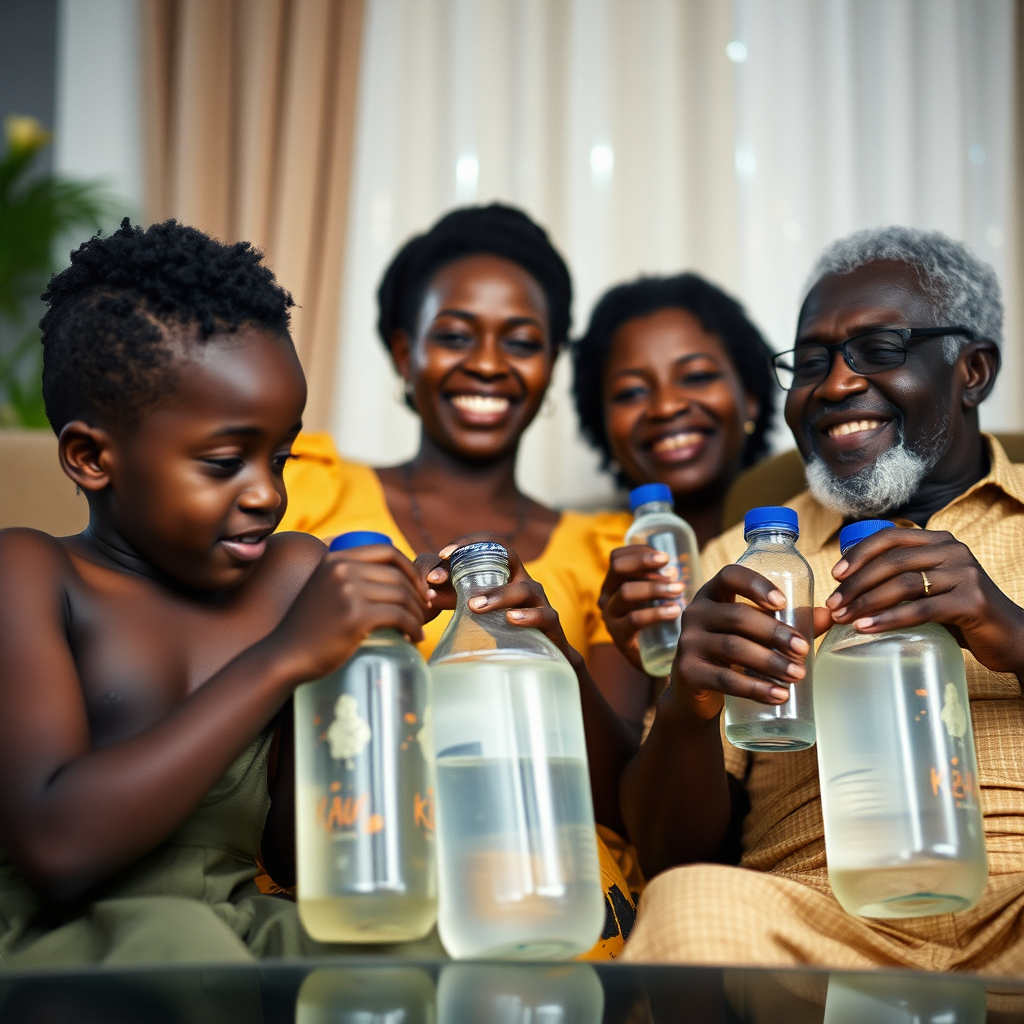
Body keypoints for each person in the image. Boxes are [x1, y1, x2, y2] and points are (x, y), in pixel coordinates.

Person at [0, 220, 637, 965]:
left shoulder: (290, 573)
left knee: (429, 952)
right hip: (71, 940)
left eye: (280, 458)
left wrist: (365, 653)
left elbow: (297, 856)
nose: (267, 494)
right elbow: (58, 847)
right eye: (224, 462)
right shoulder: (30, 572)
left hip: (237, 923)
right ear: (90, 457)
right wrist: (285, 657)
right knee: (183, 950)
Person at [612, 226, 1024, 975]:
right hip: (825, 924)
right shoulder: (736, 562)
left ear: (972, 371)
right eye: (810, 363)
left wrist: (1012, 632)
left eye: (879, 350)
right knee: (684, 909)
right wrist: (686, 705)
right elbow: (669, 854)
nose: (834, 386)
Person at [280, 204, 645, 725]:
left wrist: (556, 653)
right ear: (404, 354)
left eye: (520, 342)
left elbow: (624, 771)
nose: (488, 364)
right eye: (454, 336)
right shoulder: (305, 488)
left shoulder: (605, 552)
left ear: (550, 364)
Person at [572, 274, 775, 728]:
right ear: (601, 424)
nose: (666, 406)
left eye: (697, 376)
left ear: (751, 397)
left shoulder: (813, 528)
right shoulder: (602, 562)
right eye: (632, 392)